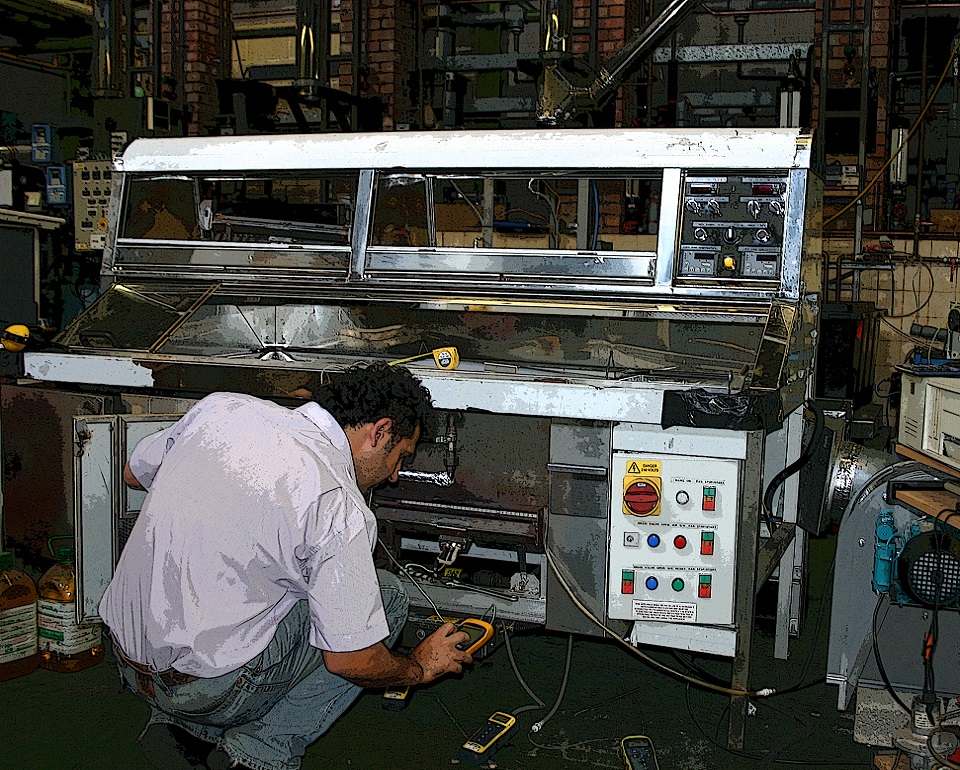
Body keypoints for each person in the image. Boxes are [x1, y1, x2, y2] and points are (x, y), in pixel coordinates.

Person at [99, 362, 472, 770]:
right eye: (400, 457)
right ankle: (258, 754)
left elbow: (132, 475)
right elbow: (351, 661)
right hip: (209, 690)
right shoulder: (338, 504)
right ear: (379, 432)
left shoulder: (222, 410)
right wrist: (419, 667)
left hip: (124, 656)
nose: (395, 475)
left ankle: (182, 730)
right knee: (387, 598)